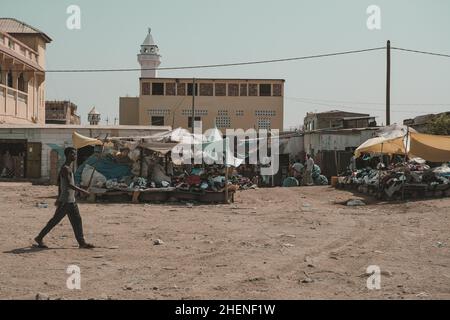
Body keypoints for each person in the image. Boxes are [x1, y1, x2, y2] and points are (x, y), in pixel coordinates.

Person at [34, 147, 95, 249]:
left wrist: (58, 197)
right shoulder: (65, 168)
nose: (74, 156)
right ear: (67, 155)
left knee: (77, 221)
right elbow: (69, 185)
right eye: (72, 154)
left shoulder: (68, 168)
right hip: (66, 201)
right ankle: (39, 238)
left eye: (75, 154)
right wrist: (83, 191)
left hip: (71, 201)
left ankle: (82, 243)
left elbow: (60, 185)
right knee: (54, 221)